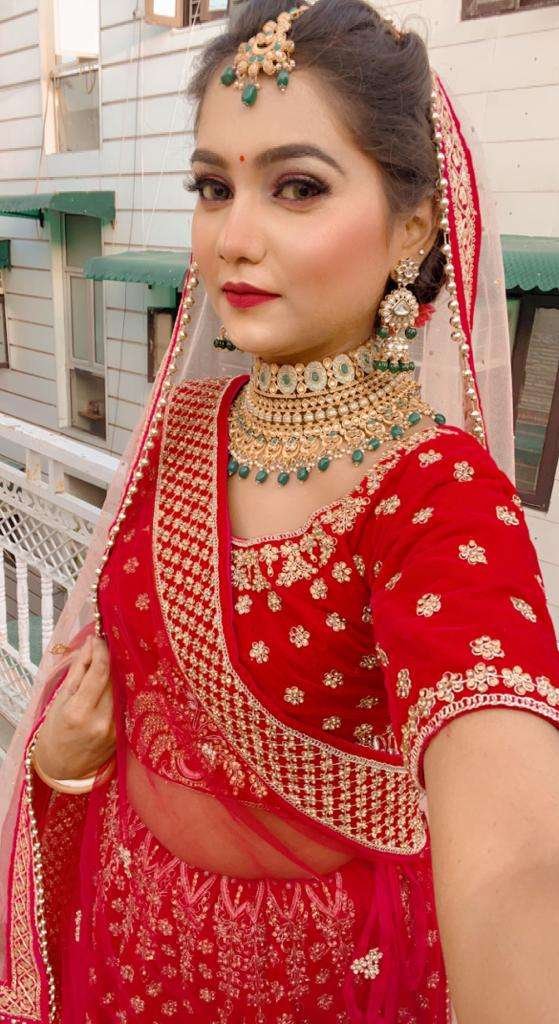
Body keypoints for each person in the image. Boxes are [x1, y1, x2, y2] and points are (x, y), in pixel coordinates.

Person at [1, 1, 559, 1022]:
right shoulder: (181, 426)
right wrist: (57, 763)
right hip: (123, 932)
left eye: (296, 187)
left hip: (321, 978)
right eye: (213, 187)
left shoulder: (438, 495)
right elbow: (115, 675)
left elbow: (517, 862)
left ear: (412, 226)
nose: (234, 237)